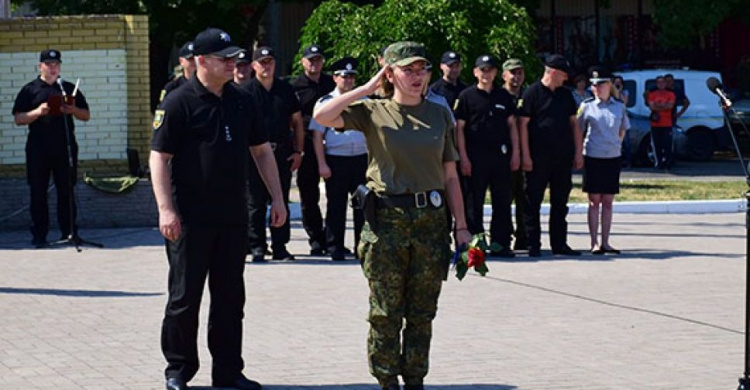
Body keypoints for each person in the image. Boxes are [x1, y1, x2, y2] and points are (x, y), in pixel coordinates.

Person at [314, 41, 472, 390]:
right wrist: (368, 88)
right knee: (385, 312)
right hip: (386, 223)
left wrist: (462, 227)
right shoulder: (372, 110)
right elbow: (322, 116)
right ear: (391, 73)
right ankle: (387, 381)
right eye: (408, 70)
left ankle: (415, 379)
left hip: (430, 222)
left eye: (423, 69)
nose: (417, 77)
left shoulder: (439, 113)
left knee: (422, 312)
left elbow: (450, 175)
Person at [150, 27, 286, 390]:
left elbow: (261, 151)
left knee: (230, 298)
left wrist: (277, 197)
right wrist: (166, 209)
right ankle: (178, 369)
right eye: (224, 59)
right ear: (201, 62)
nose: (233, 64)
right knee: (184, 298)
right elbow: (159, 158)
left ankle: (228, 371)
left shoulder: (242, 101)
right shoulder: (178, 102)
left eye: (234, 57)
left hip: (232, 215)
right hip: (189, 218)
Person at [13, 49, 90, 248]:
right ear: (41, 66)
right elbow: (19, 119)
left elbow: (86, 115)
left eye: (56, 64)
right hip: (38, 148)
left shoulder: (67, 88)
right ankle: (39, 235)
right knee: (38, 192)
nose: (53, 68)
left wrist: (72, 110)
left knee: (66, 191)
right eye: (48, 64)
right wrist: (37, 112)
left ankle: (70, 232)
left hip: (64, 146)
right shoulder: (30, 90)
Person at [243, 46, 305, 262]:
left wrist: (298, 151)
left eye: (270, 61)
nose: (266, 66)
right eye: (262, 62)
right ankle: (257, 246)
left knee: (280, 199)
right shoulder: (246, 91)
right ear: (253, 66)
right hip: (254, 155)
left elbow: (297, 122)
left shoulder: (285, 90)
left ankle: (280, 246)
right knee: (255, 202)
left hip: (281, 153)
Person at [454, 54, 519, 258]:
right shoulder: (466, 96)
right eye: (482, 70)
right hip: (475, 157)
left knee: (502, 201)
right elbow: (460, 130)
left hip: (500, 157)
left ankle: (501, 243)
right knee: (474, 203)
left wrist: (516, 153)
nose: (486, 73)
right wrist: (463, 157)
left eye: (490, 70)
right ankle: (475, 245)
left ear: (496, 73)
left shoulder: (503, 96)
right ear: (475, 72)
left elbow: (512, 126)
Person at [519, 54, 583, 257]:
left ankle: (559, 243)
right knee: (532, 202)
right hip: (537, 158)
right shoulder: (532, 93)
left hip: (562, 158)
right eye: (564, 74)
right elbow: (523, 126)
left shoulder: (566, 95)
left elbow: (574, 124)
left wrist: (578, 152)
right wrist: (525, 156)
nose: (566, 79)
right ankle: (532, 244)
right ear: (553, 72)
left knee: (560, 202)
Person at [310, 57, 368, 261]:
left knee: (363, 205)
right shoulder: (325, 102)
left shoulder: (365, 101)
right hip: (336, 159)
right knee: (336, 205)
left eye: (352, 77)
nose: (349, 80)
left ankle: (363, 246)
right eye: (345, 76)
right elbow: (317, 136)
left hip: (362, 158)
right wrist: (322, 164)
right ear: (335, 78)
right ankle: (335, 247)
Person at [577, 68, 630, 255]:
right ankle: (594, 242)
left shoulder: (619, 106)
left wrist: (615, 145)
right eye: (594, 85)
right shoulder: (587, 106)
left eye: (600, 84)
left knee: (608, 201)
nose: (596, 87)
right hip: (592, 156)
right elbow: (579, 131)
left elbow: (622, 130)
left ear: (609, 85)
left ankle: (606, 241)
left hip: (612, 157)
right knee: (594, 201)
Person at [291, 44, 336, 256]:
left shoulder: (331, 83)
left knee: (336, 195)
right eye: (310, 59)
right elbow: (292, 119)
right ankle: (316, 239)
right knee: (309, 196)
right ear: (303, 62)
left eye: (317, 59)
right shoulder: (295, 87)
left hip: (334, 144)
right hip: (308, 144)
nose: (314, 63)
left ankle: (333, 238)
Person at [501, 57, 528, 251]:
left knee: (524, 197)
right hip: (503, 155)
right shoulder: (499, 96)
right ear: (504, 75)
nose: (516, 76)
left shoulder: (528, 96)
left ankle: (524, 236)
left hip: (526, 153)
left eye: (519, 72)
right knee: (504, 198)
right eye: (512, 72)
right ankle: (504, 237)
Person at [646, 75, 675, 170]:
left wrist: (658, 106)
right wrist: (663, 106)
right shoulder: (652, 94)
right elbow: (652, 107)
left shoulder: (671, 94)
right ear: (656, 84)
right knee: (656, 145)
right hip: (655, 124)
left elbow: (670, 106)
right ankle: (658, 163)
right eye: (659, 82)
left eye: (663, 82)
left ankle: (668, 163)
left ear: (665, 84)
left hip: (667, 124)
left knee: (667, 145)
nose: (661, 84)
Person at [612, 75, 631, 168]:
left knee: (626, 142)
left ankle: (627, 161)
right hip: (614, 119)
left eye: (619, 82)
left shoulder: (625, 92)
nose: (618, 84)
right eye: (616, 82)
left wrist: (619, 91)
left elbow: (624, 102)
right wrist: (615, 90)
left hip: (623, 117)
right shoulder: (611, 92)